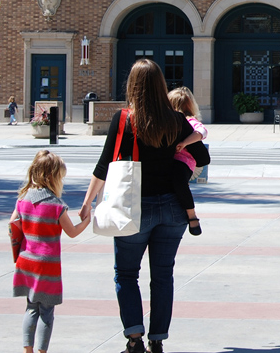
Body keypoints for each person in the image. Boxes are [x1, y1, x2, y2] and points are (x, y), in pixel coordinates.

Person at [80, 59, 201, 353]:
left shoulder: (125, 120)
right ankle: (157, 340)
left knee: (126, 274)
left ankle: (134, 339)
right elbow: (202, 156)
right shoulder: (176, 119)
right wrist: (183, 148)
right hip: (173, 210)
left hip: (135, 209)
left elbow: (104, 166)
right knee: (162, 276)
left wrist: (86, 204)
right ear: (161, 85)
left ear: (132, 86)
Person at [11, 150, 90, 353]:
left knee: (31, 308)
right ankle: (42, 351)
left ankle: (27, 349)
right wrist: (86, 222)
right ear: (52, 178)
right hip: (48, 264)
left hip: (26, 260)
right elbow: (71, 232)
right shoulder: (56, 205)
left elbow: (13, 223)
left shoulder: (23, 199)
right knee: (46, 311)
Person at [167, 86, 210, 236]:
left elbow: (202, 132)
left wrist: (185, 142)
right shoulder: (167, 121)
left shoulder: (190, 120)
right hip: (171, 159)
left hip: (185, 161)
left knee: (179, 181)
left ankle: (191, 215)